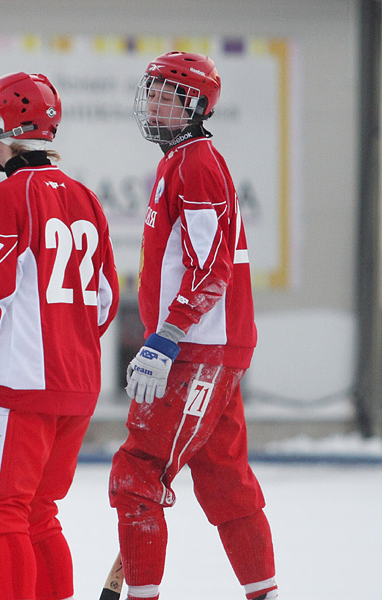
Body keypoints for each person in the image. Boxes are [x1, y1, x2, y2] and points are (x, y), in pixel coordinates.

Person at [0, 71, 119, 600]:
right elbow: (105, 300)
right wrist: (66, 341)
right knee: (38, 513)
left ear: (3, 128)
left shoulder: (9, 197)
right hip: (78, 389)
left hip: (23, 389)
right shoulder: (86, 197)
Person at [109, 51, 278, 600]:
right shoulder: (178, 161)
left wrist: (165, 338)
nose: (155, 104)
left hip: (197, 352)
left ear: (197, 106)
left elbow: (213, 267)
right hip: (209, 350)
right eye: (152, 92)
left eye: (168, 95)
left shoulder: (198, 164)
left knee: (137, 475)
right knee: (227, 485)